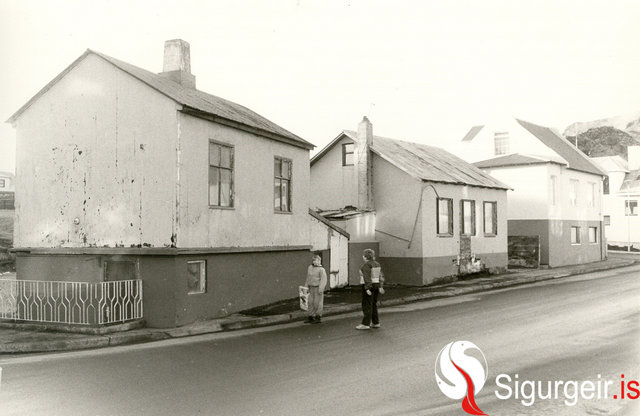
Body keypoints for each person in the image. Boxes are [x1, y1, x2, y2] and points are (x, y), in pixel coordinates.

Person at [356, 248, 385, 330]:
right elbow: (381, 276)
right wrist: (381, 286)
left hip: (368, 286)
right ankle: (376, 322)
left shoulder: (366, 265)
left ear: (365, 257)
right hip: (376, 285)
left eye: (363, 255)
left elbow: (367, 277)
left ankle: (365, 323)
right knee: (373, 304)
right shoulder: (377, 264)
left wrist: (367, 288)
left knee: (366, 304)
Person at [304, 254, 327, 324]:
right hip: (311, 287)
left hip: (317, 288)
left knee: (317, 303)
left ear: (320, 261)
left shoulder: (321, 270)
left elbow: (323, 280)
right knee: (310, 302)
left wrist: (321, 289)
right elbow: (308, 278)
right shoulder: (310, 267)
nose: (315, 262)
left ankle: (318, 316)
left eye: (316, 260)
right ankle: (311, 316)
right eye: (313, 260)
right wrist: (306, 287)